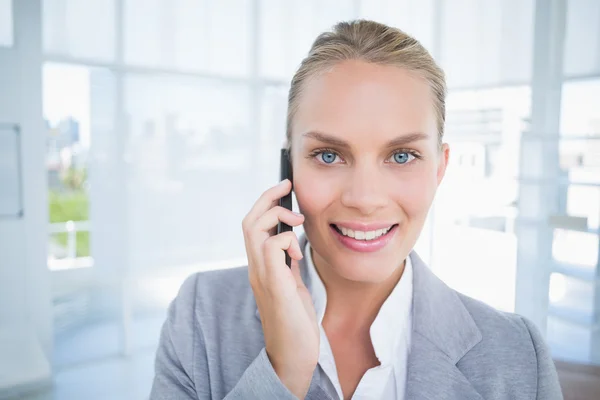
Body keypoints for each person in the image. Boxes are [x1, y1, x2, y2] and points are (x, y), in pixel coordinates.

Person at [150, 20, 563, 400]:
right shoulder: (201, 316)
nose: (365, 199)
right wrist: (283, 370)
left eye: (402, 156)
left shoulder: (518, 354)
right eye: (329, 155)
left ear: (439, 168)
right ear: (288, 166)